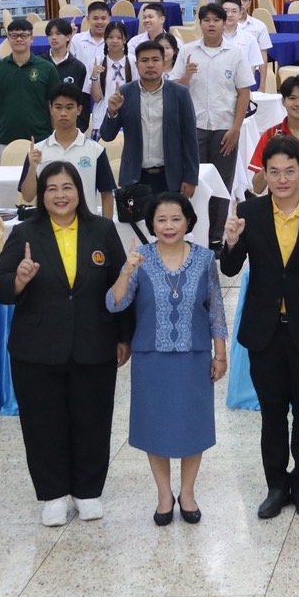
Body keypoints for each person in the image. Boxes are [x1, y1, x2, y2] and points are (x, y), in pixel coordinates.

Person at [0, 161, 130, 526]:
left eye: (67, 187)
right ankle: (52, 493)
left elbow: (121, 284)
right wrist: (19, 280)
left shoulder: (101, 229)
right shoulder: (25, 232)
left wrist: (123, 335)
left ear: (79, 191)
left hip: (94, 341)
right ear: (42, 194)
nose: (60, 195)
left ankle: (88, 490)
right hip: (37, 347)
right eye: (51, 189)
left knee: (92, 419)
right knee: (43, 423)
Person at [220, 136, 299, 519]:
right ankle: (276, 485)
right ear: (265, 174)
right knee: (272, 413)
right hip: (265, 331)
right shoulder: (251, 212)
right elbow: (230, 269)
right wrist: (231, 242)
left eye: (290, 171)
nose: (282, 179)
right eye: (273, 172)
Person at [107, 192, 228, 527]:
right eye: (161, 220)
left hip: (194, 356)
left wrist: (220, 353)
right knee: (154, 426)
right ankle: (164, 495)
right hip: (152, 358)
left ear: (188, 221)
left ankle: (187, 493)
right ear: (152, 224)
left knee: (193, 426)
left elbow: (215, 308)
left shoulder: (204, 258)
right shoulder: (140, 258)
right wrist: (126, 272)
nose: (169, 226)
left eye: (176, 219)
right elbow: (114, 304)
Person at [99, 41, 200, 197]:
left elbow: (190, 138)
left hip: (171, 178)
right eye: (145, 60)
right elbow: (107, 135)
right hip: (135, 177)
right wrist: (112, 111)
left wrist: (191, 177)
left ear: (163, 63)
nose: (150, 65)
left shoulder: (180, 94)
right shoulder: (125, 93)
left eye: (155, 60)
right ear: (137, 64)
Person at [176, 3, 254, 185]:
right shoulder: (187, 51)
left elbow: (244, 92)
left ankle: (222, 207)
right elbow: (175, 89)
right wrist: (187, 76)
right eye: (206, 20)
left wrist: (236, 129)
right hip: (194, 126)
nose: (211, 24)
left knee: (222, 183)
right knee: (195, 182)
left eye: (216, 20)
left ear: (224, 23)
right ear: (200, 23)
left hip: (225, 127)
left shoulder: (236, 53)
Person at [19, 85, 117, 217]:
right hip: (47, 225)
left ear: (79, 110)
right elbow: (27, 196)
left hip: (86, 225)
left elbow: (107, 194)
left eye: (69, 107)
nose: (63, 113)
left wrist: (107, 228)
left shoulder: (96, 150)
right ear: (51, 109)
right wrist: (32, 168)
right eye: (58, 107)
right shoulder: (37, 150)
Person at [0, 18, 61, 146]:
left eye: (24, 35)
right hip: (4, 139)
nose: (19, 39)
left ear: (32, 39)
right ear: (8, 39)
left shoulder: (47, 68)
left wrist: (56, 137)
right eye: (14, 36)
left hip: (40, 139)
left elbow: (56, 104)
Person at [89, 21, 134, 137]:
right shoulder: (97, 61)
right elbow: (97, 98)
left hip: (129, 120)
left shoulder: (134, 61)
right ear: (105, 38)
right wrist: (94, 77)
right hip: (102, 119)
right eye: (110, 37)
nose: (114, 41)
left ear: (125, 39)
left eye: (119, 37)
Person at [44, 18, 90, 131]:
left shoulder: (78, 67)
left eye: (58, 33)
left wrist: (80, 127)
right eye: (50, 34)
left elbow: (83, 100)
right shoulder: (40, 63)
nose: (53, 37)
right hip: (42, 126)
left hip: (70, 127)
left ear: (68, 37)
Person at [229, 0, 273, 65]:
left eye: (245, 0)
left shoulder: (259, 26)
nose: (241, 3)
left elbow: (263, 55)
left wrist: (263, 74)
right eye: (238, 0)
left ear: (249, 3)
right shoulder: (223, 26)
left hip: (253, 69)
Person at [70, 0, 112, 72]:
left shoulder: (114, 42)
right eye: (95, 18)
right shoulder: (76, 39)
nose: (99, 22)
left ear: (109, 19)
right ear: (88, 19)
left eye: (103, 18)